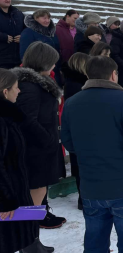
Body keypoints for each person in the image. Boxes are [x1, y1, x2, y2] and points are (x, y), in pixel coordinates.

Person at [61, 56, 123, 253]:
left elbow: (68, 142)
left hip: (91, 187)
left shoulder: (72, 102)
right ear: (113, 74)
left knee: (95, 244)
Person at [11, 42, 67, 228]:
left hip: (40, 147)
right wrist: (47, 139)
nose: (54, 65)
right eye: (52, 62)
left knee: (38, 190)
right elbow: (26, 120)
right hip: (35, 149)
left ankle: (33, 228)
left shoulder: (38, 82)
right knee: (35, 190)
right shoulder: (29, 86)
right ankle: (30, 237)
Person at [0, 68, 55, 253]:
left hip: (18, 181)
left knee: (30, 211)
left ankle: (32, 245)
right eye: (16, 88)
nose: (19, 91)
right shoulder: (3, 120)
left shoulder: (11, 114)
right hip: (7, 194)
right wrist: (6, 201)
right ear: (5, 91)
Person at [61, 52, 89, 211]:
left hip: (78, 130)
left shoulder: (76, 81)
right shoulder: (75, 83)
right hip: (79, 130)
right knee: (80, 166)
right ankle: (83, 199)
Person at [19, 10, 62, 86]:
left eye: (48, 18)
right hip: (39, 70)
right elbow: (25, 54)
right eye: (44, 18)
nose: (47, 21)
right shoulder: (28, 32)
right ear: (36, 18)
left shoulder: (52, 33)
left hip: (54, 69)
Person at [0, 0, 25, 69]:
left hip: (17, 59)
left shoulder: (18, 13)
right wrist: (3, 37)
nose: (8, 0)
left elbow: (27, 29)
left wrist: (22, 37)